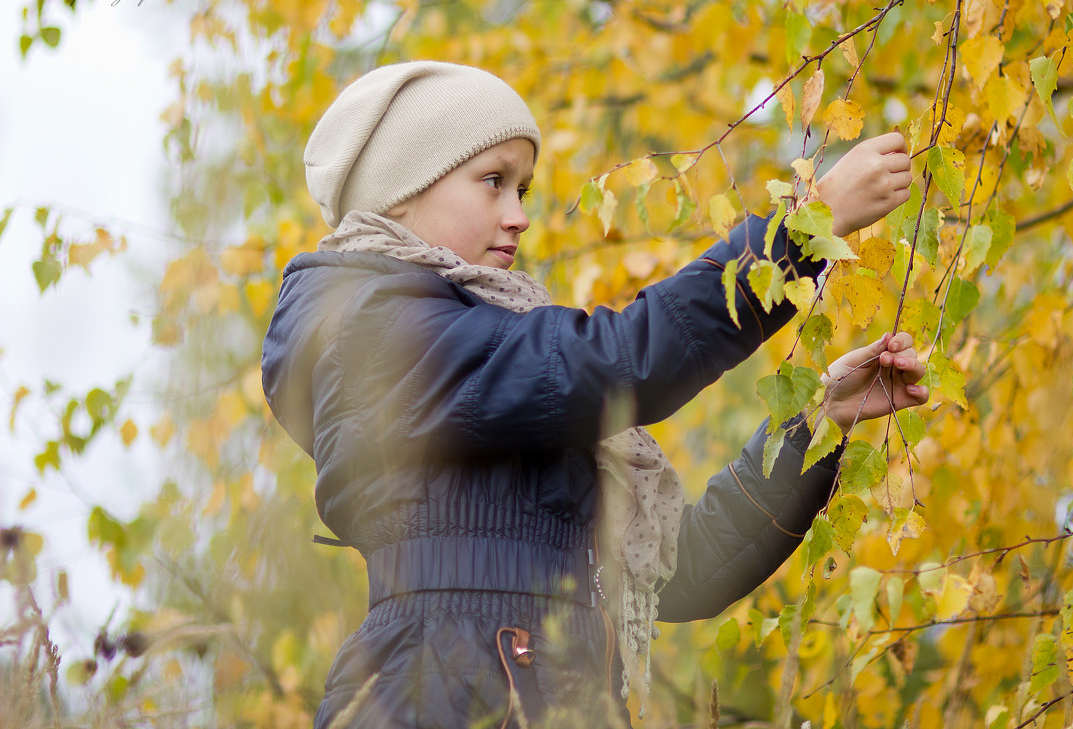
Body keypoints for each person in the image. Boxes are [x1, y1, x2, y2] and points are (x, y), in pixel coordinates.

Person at [261, 61, 927, 729]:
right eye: (492, 182)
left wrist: (814, 422)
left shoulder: (482, 355)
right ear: (401, 191)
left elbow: (685, 570)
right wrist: (801, 233)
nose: (518, 216)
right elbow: (621, 360)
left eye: (522, 188)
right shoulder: (377, 335)